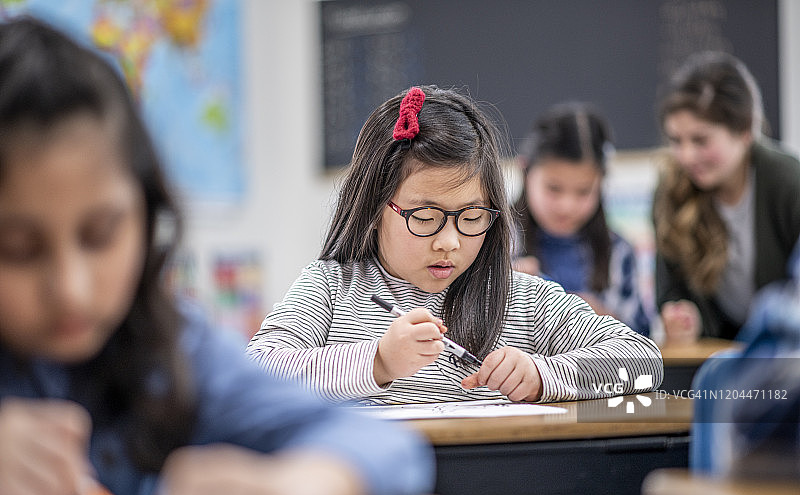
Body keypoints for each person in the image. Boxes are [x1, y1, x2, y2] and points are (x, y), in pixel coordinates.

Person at [0, 17, 433, 495]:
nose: (72, 290)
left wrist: (288, 492)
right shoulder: (325, 283)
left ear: (149, 214)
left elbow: (388, 449)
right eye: (18, 250)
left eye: (101, 235)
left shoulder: (169, 347)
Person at [247, 85, 662, 404]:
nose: (449, 242)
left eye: (472, 218)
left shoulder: (520, 297)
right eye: (424, 218)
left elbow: (643, 363)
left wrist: (543, 376)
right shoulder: (332, 288)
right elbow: (257, 374)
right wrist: (378, 361)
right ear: (374, 209)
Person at [652, 51, 800, 344]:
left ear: (745, 131)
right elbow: (671, 290)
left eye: (700, 140)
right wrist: (683, 317)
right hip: (720, 354)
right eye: (676, 140)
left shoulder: (787, 181)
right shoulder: (670, 191)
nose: (686, 156)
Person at [512, 102, 651, 336]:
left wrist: (604, 320)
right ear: (525, 171)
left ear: (601, 182)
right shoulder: (492, 241)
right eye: (554, 188)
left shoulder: (619, 253)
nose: (566, 206)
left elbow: (642, 341)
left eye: (584, 191)